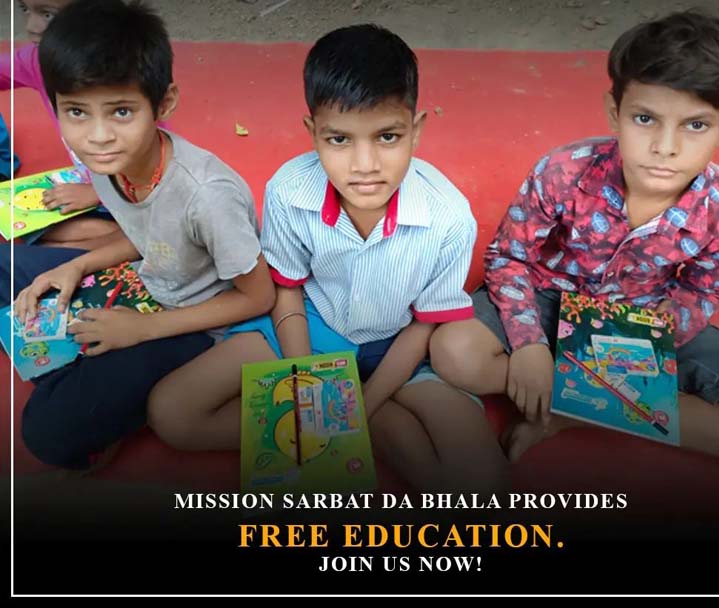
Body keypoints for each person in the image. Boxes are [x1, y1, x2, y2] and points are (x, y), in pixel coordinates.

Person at [147, 24, 509, 494]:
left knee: (484, 481)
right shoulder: (289, 190)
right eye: (339, 140)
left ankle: (368, 417)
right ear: (312, 132)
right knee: (173, 413)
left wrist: (360, 407)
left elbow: (425, 324)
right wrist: (306, 381)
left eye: (387, 137)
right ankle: (367, 424)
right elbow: (287, 287)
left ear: (416, 130)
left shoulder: (449, 217)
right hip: (313, 327)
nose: (365, 165)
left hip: (403, 349)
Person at [430, 10, 719, 466]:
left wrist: (644, 348)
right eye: (645, 118)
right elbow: (509, 256)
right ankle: (601, 403)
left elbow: (701, 290)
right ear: (614, 111)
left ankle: (574, 412)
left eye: (696, 125)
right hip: (548, 297)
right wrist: (528, 344)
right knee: (454, 353)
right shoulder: (562, 170)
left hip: (645, 316)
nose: (665, 146)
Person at [1, 0, 275, 471]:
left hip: (197, 325)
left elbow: (258, 297)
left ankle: (96, 386)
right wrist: (77, 266)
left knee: (45, 433)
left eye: (121, 112)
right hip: (144, 281)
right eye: (77, 112)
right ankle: (88, 373)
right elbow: (149, 233)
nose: (97, 136)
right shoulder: (108, 161)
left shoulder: (208, 196)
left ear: (163, 102)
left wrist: (142, 329)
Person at [1, 0, 120, 248]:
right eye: (24, 9)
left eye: (48, 14)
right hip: (89, 181)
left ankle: (122, 242)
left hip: (134, 190)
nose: (31, 25)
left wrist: (98, 192)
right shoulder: (37, 60)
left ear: (94, 14)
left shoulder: (120, 72)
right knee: (18, 223)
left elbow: (151, 152)